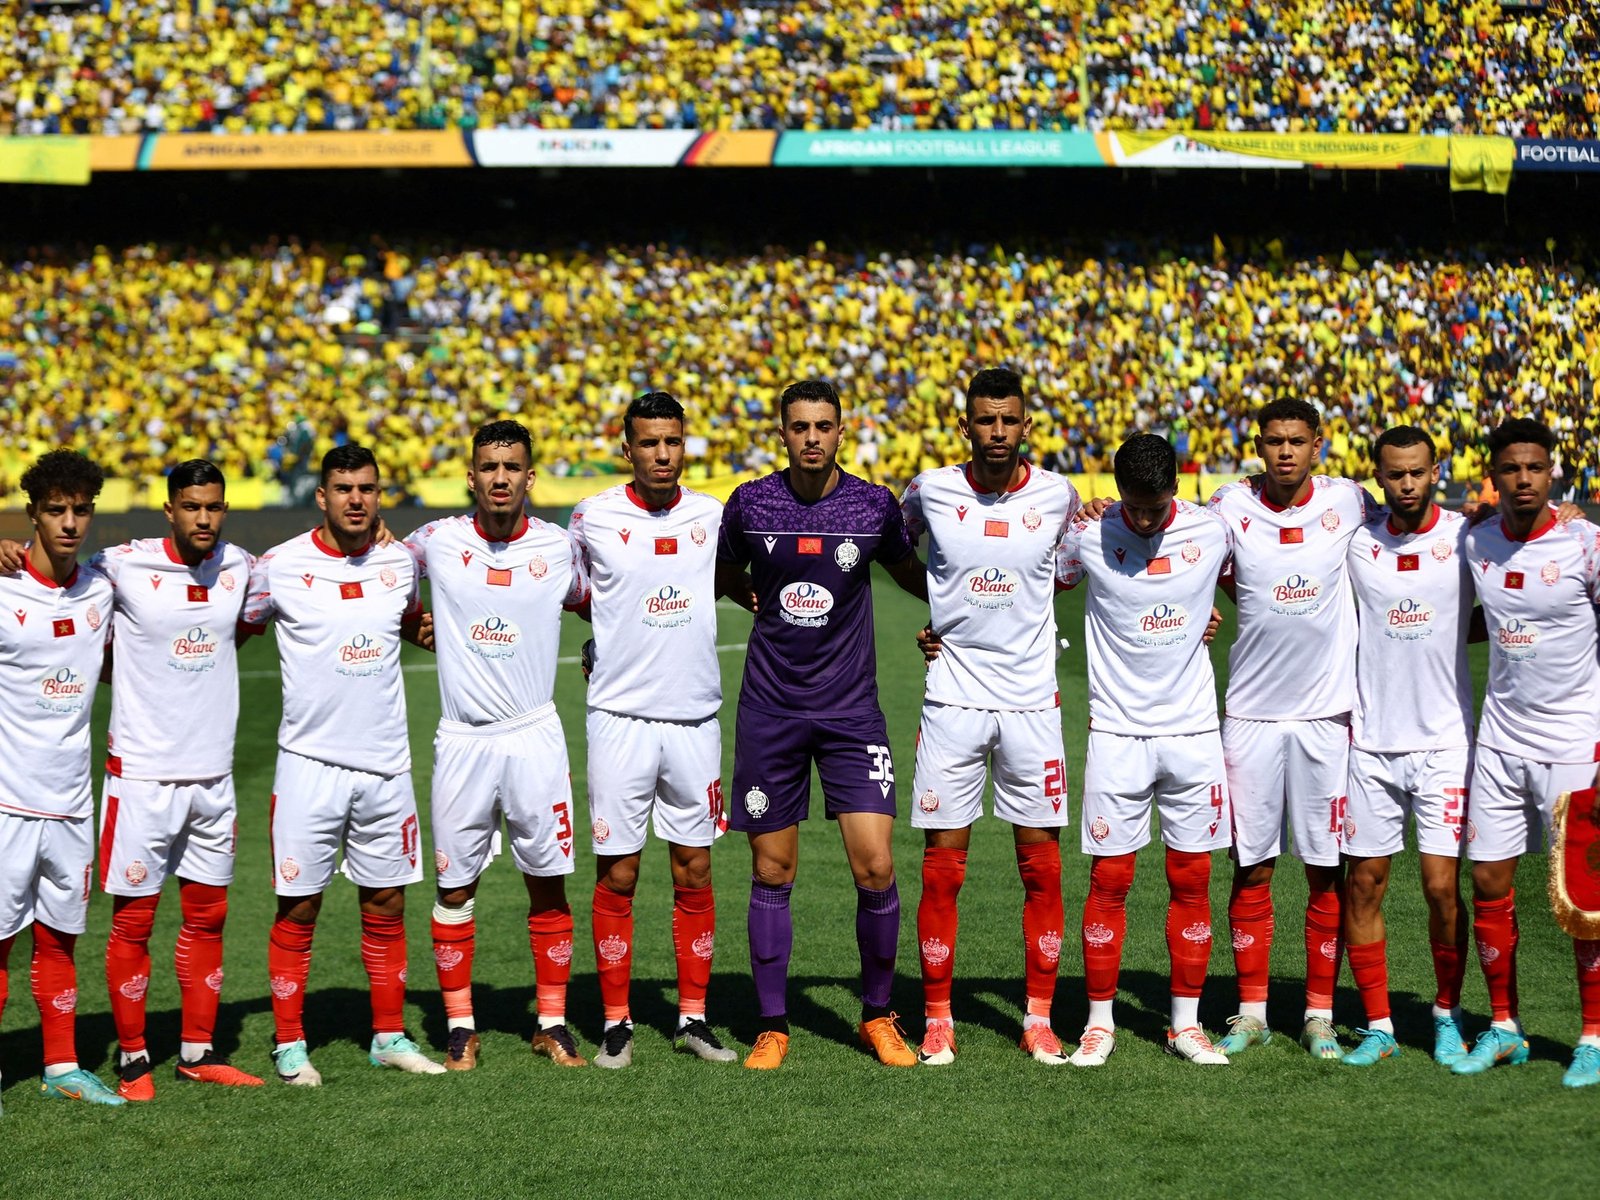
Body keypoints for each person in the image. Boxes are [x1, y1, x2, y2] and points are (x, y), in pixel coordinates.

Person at [717, 378, 928, 1070]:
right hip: (770, 711)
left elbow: (914, 575)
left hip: (851, 714)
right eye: (800, 426)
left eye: (824, 425)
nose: (812, 437)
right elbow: (722, 574)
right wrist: (746, 592)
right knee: (772, 868)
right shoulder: (750, 503)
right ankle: (773, 1024)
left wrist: (977, 610)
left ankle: (877, 1016)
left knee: (876, 866)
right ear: (783, 432)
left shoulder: (872, 506)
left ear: (844, 432)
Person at [242, 444, 443, 1085]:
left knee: (386, 903)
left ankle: (387, 1035)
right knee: (298, 908)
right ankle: (289, 1042)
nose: (355, 499)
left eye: (367, 488)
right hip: (308, 766)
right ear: (321, 496)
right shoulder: (280, 567)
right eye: (343, 488)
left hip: (385, 766)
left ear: (379, 496)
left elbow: (415, 623)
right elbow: (226, 621)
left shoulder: (400, 561)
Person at [899, 367, 1082, 1067]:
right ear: (965, 425)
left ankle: (1037, 1018)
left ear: (1025, 425)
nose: (997, 432)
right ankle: (938, 1017)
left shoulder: (1059, 496)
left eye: (1009, 420)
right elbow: (898, 548)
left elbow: (1066, 571)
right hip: (952, 700)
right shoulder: (930, 490)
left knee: (1041, 868)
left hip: (1033, 703)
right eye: (985, 420)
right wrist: (937, 610)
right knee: (944, 867)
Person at [403, 420, 592, 1070]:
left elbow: (603, 604)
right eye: (489, 466)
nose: (501, 477)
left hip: (534, 735)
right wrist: (414, 626)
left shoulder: (560, 548)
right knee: (455, 888)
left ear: (530, 476)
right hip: (462, 741)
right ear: (472, 476)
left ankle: (553, 1022)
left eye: (512, 466)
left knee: (548, 882)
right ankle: (460, 1026)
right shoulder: (435, 542)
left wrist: (604, 646)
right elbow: (379, 581)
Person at [1049, 433, 1234, 1067]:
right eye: (1134, 506)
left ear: (1176, 489)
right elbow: (1033, 587)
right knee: (1110, 878)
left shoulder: (1213, 532)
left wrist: (1211, 617)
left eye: (1157, 507)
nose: (1147, 520)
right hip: (1117, 734)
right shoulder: (1087, 535)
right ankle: (1098, 1023)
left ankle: (1185, 1023)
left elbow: (1271, 584)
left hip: (1193, 734)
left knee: (1192, 877)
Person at [568, 393, 737, 1067]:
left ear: (684, 445)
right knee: (618, 873)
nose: (662, 454)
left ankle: (693, 1017)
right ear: (627, 448)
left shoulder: (713, 516)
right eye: (649, 443)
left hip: (694, 718)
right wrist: (606, 643)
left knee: (694, 870)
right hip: (618, 720)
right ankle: (616, 1022)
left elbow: (733, 578)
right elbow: (575, 592)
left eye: (672, 441)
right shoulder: (592, 517)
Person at [1206, 398, 1375, 1060]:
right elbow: (1180, 548)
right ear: (1258, 445)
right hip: (1249, 713)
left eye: (1296, 441)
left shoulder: (1351, 501)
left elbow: (1421, 529)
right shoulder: (1227, 504)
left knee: (1324, 871)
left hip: (1326, 718)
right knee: (1251, 866)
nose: (1284, 452)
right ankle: (1251, 1011)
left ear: (1318, 446)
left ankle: (1319, 1014)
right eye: (1273, 441)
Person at [90, 461, 265, 1097]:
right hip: (141, 776)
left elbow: (254, 620)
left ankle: (197, 1051)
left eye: (214, 507)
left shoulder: (240, 566)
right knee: (133, 921)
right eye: (191, 506)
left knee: (208, 917)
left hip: (213, 777)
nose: (203, 518)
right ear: (170, 509)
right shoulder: (123, 562)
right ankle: (133, 1058)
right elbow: (55, 573)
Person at [1457, 418, 1600, 1088]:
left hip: (1575, 744)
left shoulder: (1585, 543)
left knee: (1585, 898)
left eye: (1534, 468)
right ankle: (1506, 1026)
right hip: (1500, 741)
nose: (1523, 480)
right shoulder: (1475, 539)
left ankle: (1593, 1036)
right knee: (1488, 881)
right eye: (1510, 469)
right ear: (1495, 474)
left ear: (1553, 473)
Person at [1341, 427, 1474, 1069]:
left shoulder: (1466, 536)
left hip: (1445, 741)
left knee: (1441, 886)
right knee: (1363, 885)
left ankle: (1446, 1016)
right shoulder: (1357, 542)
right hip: (1371, 742)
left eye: (1418, 472)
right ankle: (1379, 1024)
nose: (1408, 484)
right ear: (1379, 475)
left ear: (1435, 471)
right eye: (1395, 474)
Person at [0, 450, 121, 1106]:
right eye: (56, 510)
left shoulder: (103, 588)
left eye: (80, 510)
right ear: (33, 515)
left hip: (73, 802)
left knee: (59, 938)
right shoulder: (3, 586)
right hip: (7, 802)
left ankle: (61, 1066)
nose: (70, 522)